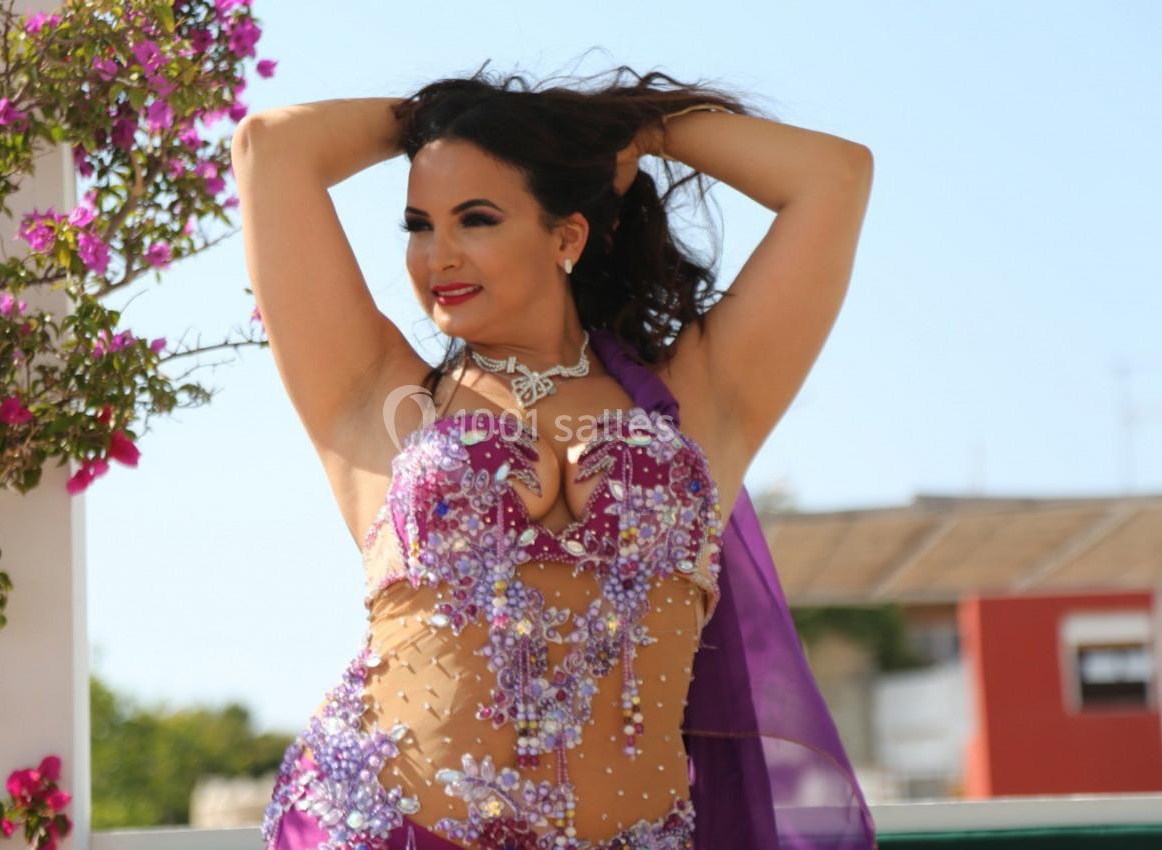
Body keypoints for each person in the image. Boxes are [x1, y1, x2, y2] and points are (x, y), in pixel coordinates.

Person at [232, 62, 876, 850]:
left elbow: (834, 176)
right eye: (418, 224)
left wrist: (626, 130)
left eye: (475, 219)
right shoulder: (380, 395)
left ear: (566, 235)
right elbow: (271, 147)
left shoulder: (698, 405)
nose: (438, 255)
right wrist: (462, 116)